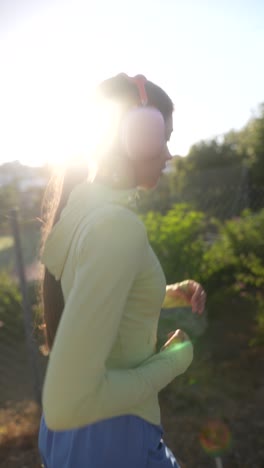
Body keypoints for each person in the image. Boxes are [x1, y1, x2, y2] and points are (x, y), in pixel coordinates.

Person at [38, 73, 206, 468]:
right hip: (111, 440)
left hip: (80, 441)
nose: (168, 153)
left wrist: (165, 292)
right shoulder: (116, 225)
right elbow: (70, 400)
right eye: (163, 137)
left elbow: (93, 292)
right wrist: (175, 359)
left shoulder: (82, 210)